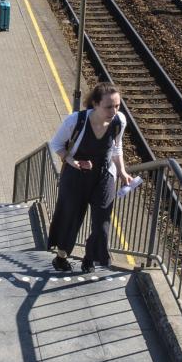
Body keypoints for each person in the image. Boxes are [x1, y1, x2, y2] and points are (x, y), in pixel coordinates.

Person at [46, 83, 134, 273]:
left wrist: (122, 171)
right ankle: (61, 258)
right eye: (109, 106)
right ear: (95, 104)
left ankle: (90, 257)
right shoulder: (75, 121)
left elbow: (116, 148)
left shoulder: (119, 121)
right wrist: (72, 162)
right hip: (76, 175)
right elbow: (56, 145)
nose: (114, 111)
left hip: (103, 176)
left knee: (102, 223)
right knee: (70, 218)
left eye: (117, 105)